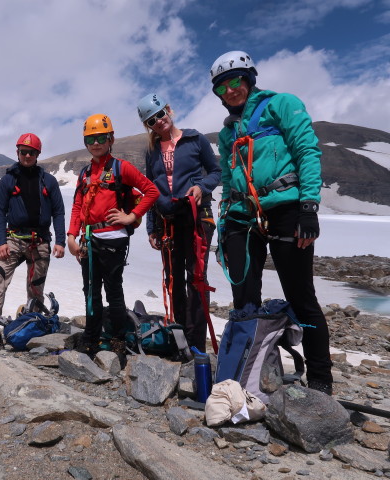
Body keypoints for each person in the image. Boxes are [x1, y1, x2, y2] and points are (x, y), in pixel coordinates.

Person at [210, 51, 333, 394]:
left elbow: (307, 150)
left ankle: (321, 381)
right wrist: (223, 226)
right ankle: (255, 376)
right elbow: (226, 177)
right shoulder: (227, 133)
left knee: (300, 294)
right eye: (222, 88)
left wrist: (309, 205)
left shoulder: (281, 104)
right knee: (244, 298)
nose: (230, 91)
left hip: (285, 209)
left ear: (249, 78)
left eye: (235, 81)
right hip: (241, 215)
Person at [67, 114, 159, 357]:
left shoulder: (121, 168)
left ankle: (118, 340)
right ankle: (92, 338)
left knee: (113, 291)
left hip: (113, 240)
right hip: (88, 240)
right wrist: (71, 236)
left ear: (110, 139)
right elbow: (78, 205)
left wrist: (131, 216)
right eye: (90, 139)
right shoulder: (85, 173)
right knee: (90, 291)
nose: (95, 143)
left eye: (100, 138)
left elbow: (151, 191)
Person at [136, 93, 221, 352]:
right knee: (173, 280)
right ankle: (180, 337)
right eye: (151, 121)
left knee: (196, 279)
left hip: (196, 218)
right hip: (168, 221)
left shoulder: (196, 140)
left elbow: (217, 171)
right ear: (148, 126)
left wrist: (201, 187)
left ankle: (196, 345)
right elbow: (151, 190)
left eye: (160, 114)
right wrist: (152, 227)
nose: (158, 122)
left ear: (169, 110)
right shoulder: (151, 152)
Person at [0, 133, 66, 351]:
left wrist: (60, 241)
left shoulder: (48, 181)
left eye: (31, 152)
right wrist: (1, 242)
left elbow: (58, 212)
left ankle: (31, 327)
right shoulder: (8, 180)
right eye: (23, 151)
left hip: (40, 241)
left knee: (36, 289)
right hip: (13, 239)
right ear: (17, 152)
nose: (27, 155)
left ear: (38, 154)